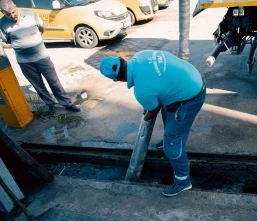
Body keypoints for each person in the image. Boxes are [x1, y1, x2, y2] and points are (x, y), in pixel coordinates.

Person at [100, 50, 206, 197]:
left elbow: (153, 109)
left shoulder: (142, 91)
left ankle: (183, 181)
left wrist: (145, 119)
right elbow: (156, 92)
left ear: (115, 80)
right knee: (170, 117)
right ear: (121, 58)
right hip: (191, 78)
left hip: (188, 98)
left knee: (172, 143)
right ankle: (171, 137)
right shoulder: (141, 55)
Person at [0, 0, 80, 115]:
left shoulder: (30, 14)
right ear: (2, 12)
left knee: (54, 82)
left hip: (42, 57)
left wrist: (35, 41)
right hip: (24, 62)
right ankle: (50, 105)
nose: (12, 15)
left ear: (15, 7)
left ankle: (67, 103)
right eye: (8, 14)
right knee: (38, 85)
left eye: (13, 12)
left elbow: (42, 27)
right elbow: (7, 40)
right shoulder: (2, 24)